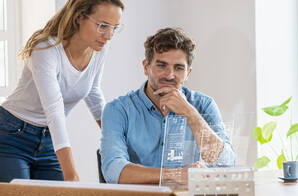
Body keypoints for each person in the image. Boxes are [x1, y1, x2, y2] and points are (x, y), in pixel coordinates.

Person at [0, 0, 124, 183]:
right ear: (79, 17)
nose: (109, 35)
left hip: (49, 139)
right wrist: (71, 173)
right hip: (12, 135)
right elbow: (54, 110)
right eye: (103, 26)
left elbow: (93, 93)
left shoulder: (98, 50)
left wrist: (116, 141)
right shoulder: (45, 49)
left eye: (114, 27)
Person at [100, 28, 235, 185]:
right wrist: (176, 175)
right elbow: (113, 171)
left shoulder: (204, 105)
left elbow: (226, 165)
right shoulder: (118, 110)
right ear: (146, 67)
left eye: (178, 68)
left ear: (188, 73)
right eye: (161, 66)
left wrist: (190, 113)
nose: (170, 75)